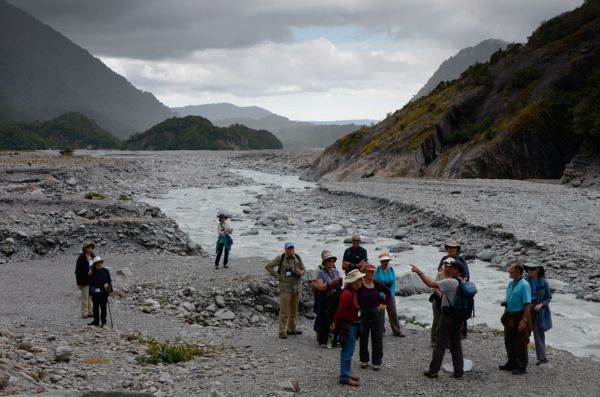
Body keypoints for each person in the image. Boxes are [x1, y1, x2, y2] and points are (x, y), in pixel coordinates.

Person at [411, 259, 466, 379]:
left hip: (447, 317)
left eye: (451, 268)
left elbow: (430, 284)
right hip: (458, 317)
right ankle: (459, 371)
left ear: (456, 270)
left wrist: (419, 272)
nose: (448, 269)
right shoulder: (462, 282)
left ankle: (433, 370)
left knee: (440, 342)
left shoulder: (451, 282)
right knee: (456, 344)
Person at [331, 269, 365, 387]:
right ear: (355, 281)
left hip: (353, 324)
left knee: (349, 351)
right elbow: (340, 311)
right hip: (347, 325)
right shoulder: (347, 293)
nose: (362, 281)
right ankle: (344, 376)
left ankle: (347, 373)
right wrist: (335, 323)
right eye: (360, 279)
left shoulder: (354, 291)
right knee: (347, 351)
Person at [265, 242, 306, 338]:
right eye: (289, 248)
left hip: (296, 288)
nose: (291, 250)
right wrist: (277, 275)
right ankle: (282, 331)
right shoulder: (281, 258)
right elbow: (268, 266)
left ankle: (291, 329)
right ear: (285, 249)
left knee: (294, 311)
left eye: (292, 248)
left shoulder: (298, 257)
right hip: (285, 288)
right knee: (284, 311)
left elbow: (304, 269)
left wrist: (300, 272)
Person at [500, 262, 533, 375]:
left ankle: (521, 366)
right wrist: (505, 316)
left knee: (520, 341)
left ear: (517, 272)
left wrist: (524, 320)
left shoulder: (524, 285)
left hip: (519, 317)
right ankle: (511, 363)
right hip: (510, 316)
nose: (509, 271)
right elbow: (508, 301)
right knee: (509, 340)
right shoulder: (511, 283)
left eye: (511, 269)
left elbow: (527, 303)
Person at [359, 265, 391, 371]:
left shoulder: (377, 284)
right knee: (363, 336)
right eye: (370, 272)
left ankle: (377, 361)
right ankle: (364, 359)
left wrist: (385, 305)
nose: (373, 274)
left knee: (377, 336)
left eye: (373, 272)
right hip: (363, 311)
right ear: (365, 273)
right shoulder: (360, 285)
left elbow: (389, 292)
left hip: (376, 311)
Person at [438, 240, 470, 339]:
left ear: (456, 249)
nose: (452, 249)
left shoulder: (461, 259)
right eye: (450, 248)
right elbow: (439, 271)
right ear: (447, 249)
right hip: (447, 287)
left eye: (453, 248)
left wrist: (461, 283)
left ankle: (462, 332)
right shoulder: (444, 259)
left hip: (458, 289)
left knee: (460, 308)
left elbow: (466, 274)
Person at [524, 260, 552, 365]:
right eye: (528, 269)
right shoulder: (525, 281)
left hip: (538, 310)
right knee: (523, 332)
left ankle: (542, 358)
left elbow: (548, 297)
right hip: (526, 308)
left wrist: (541, 305)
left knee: (538, 333)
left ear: (538, 270)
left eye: (532, 269)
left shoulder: (544, 282)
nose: (529, 271)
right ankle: (521, 356)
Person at [314, 253, 343, 347]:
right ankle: (322, 340)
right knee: (324, 319)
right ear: (325, 262)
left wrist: (340, 280)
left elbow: (339, 285)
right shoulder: (321, 272)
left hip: (335, 298)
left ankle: (334, 340)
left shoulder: (335, 271)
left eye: (333, 261)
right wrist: (331, 282)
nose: (331, 262)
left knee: (334, 318)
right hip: (325, 298)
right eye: (329, 261)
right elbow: (320, 287)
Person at [374, 252, 405, 337]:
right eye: (384, 261)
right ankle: (381, 330)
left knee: (393, 313)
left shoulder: (391, 270)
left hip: (390, 294)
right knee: (381, 313)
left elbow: (394, 283)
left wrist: (389, 293)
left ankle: (397, 331)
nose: (386, 263)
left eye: (387, 261)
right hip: (379, 294)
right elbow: (375, 283)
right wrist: (381, 294)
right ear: (381, 262)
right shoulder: (377, 270)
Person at [312, 250, 332, 341]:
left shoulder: (334, 269)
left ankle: (327, 333)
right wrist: (321, 288)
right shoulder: (319, 269)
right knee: (320, 313)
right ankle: (319, 333)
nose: (331, 262)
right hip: (321, 294)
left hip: (331, 294)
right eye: (329, 259)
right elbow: (314, 282)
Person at [88, 257, 112, 328]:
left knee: (103, 307)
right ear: (95, 264)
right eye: (98, 263)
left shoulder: (105, 271)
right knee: (95, 307)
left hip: (103, 291)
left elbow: (109, 280)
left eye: (100, 262)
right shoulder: (93, 272)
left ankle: (103, 321)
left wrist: (107, 284)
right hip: (95, 291)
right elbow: (91, 281)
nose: (100, 264)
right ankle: (96, 320)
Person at [75, 241, 95, 319]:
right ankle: (84, 312)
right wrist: (79, 283)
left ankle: (91, 311)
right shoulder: (81, 258)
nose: (90, 248)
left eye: (91, 247)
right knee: (85, 296)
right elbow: (78, 271)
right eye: (88, 247)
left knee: (91, 296)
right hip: (84, 280)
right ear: (85, 248)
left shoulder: (94, 257)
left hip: (93, 280)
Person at [429, 269, 447, 347]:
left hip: (448, 301)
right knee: (436, 319)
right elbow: (435, 287)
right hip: (438, 300)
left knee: (446, 321)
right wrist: (441, 296)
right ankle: (433, 339)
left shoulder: (453, 277)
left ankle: (445, 339)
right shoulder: (440, 274)